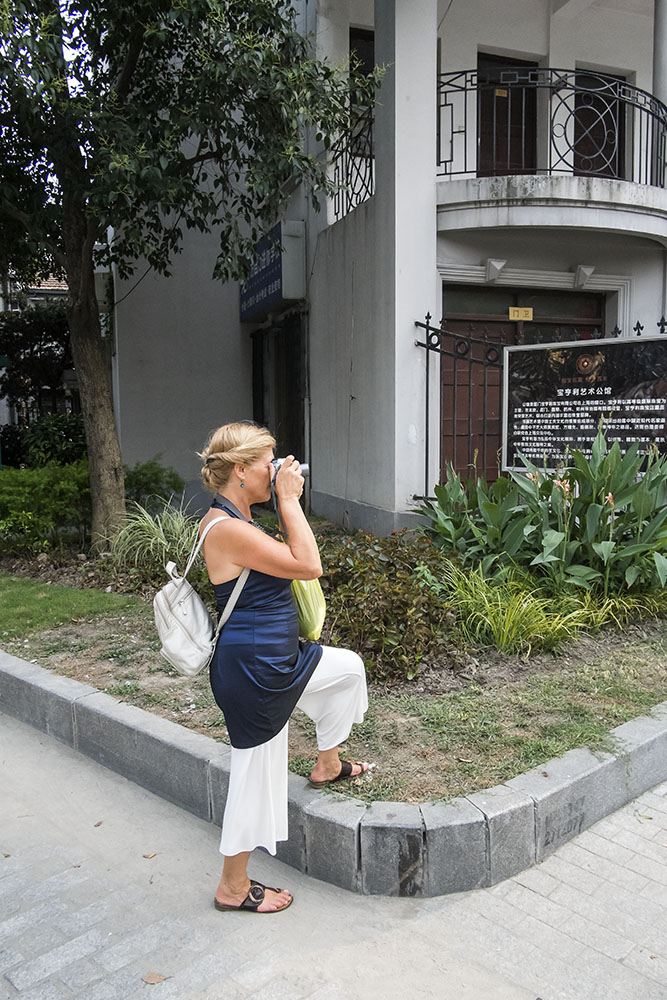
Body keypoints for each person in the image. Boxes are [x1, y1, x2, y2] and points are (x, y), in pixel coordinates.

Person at [198, 421, 369, 914]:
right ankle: (232, 885)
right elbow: (309, 564)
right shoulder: (228, 528)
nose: (275, 470)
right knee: (256, 773)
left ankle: (328, 763)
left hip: (280, 660)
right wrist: (290, 501)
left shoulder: (237, 516)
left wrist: (278, 499)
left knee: (348, 671)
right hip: (257, 671)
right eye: (266, 462)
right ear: (239, 470)